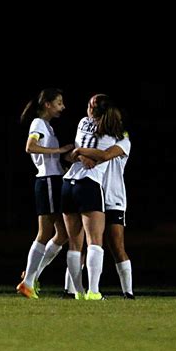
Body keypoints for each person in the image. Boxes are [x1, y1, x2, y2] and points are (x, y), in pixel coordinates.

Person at [61, 94, 125, 300]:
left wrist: (78, 153)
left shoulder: (82, 123)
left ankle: (78, 291)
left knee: (73, 243)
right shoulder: (114, 135)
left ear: (92, 109)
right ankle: (93, 291)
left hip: (68, 182)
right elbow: (103, 156)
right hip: (88, 184)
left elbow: (73, 153)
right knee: (94, 241)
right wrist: (83, 153)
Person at [15, 88, 74, 299]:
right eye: (59, 103)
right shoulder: (38, 124)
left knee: (63, 234)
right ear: (47, 104)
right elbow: (30, 147)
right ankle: (28, 281)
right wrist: (59, 152)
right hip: (47, 181)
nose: (62, 107)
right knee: (45, 232)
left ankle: (31, 276)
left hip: (54, 180)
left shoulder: (47, 126)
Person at [71, 132, 134, 299]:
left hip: (113, 197)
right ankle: (72, 290)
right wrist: (81, 154)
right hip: (91, 191)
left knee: (116, 245)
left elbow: (105, 155)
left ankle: (128, 292)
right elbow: (74, 154)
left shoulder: (123, 141)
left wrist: (80, 151)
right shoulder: (94, 138)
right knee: (81, 243)